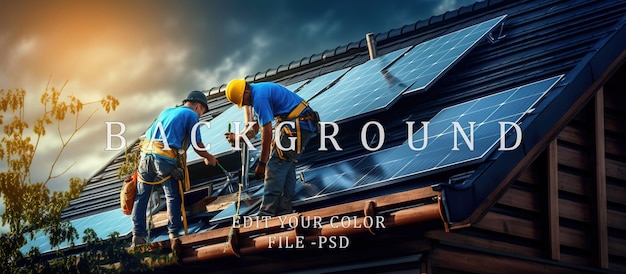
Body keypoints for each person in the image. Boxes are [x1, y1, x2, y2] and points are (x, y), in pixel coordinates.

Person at [131, 91, 217, 247]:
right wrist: (209, 157)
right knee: (172, 195)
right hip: (164, 159)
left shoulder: (167, 111)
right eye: (202, 112)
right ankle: (174, 233)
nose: (200, 116)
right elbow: (197, 144)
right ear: (198, 107)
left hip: (145, 158)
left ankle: (138, 236)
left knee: (141, 197)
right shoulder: (191, 116)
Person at [224, 80, 319, 217]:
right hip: (297, 124)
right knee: (286, 165)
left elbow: (266, 133)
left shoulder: (259, 97)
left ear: (246, 92)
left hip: (299, 124)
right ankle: (284, 210)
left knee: (274, 165)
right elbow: (255, 128)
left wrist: (262, 164)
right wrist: (238, 137)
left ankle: (266, 213)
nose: (245, 105)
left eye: (243, 101)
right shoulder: (258, 93)